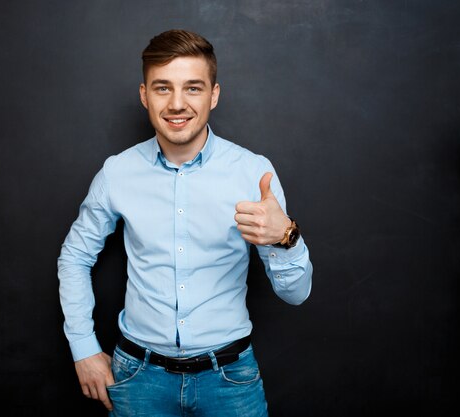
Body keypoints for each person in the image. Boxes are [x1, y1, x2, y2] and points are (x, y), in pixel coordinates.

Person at [57, 29, 312, 417]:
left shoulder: (253, 173)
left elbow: (296, 295)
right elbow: (75, 255)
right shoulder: (117, 172)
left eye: (192, 88)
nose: (177, 104)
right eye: (163, 88)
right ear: (144, 95)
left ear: (214, 95)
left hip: (230, 380)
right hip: (138, 379)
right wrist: (83, 348)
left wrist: (286, 238)